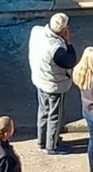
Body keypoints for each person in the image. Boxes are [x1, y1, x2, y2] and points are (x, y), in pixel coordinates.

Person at [28, 12, 77, 155]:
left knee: (43, 111)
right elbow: (70, 61)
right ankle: (52, 145)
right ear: (63, 30)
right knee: (55, 114)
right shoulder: (56, 48)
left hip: (39, 79)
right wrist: (69, 42)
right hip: (54, 85)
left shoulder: (37, 31)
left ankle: (42, 141)